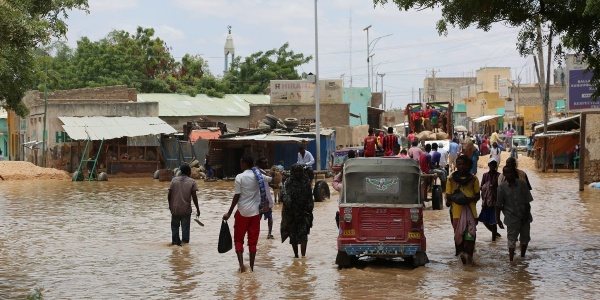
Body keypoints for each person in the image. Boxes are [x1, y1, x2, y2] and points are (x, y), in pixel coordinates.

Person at [223, 154, 272, 272]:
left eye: (241, 162)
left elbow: (237, 195)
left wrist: (229, 213)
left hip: (242, 213)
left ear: (244, 163)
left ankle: (241, 266)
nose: (240, 165)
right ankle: (252, 267)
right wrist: (260, 172)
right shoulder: (258, 176)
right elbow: (270, 178)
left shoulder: (239, 177)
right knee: (253, 242)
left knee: (238, 240)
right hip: (255, 213)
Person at [445, 155, 481, 265]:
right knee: (459, 238)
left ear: (467, 165)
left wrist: (468, 199)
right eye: (459, 164)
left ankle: (469, 264)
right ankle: (462, 266)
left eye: (463, 164)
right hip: (456, 214)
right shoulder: (450, 180)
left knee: (470, 239)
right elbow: (448, 196)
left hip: (471, 212)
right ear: (456, 166)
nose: (461, 166)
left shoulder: (474, 179)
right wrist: (456, 197)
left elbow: (477, 196)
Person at [496, 165, 534, 261]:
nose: (510, 175)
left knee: (525, 238)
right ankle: (511, 261)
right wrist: (498, 219)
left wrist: (526, 214)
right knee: (511, 240)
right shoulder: (501, 188)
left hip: (525, 216)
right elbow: (498, 206)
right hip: (511, 217)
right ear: (504, 174)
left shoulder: (522, 185)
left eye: (511, 172)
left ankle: (522, 257)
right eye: (507, 173)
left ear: (515, 173)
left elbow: (527, 202)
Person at [281, 164, 314, 258]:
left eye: (300, 171)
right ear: (293, 172)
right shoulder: (288, 182)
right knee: (293, 235)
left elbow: (309, 197)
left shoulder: (306, 181)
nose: (298, 173)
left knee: (304, 234)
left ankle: (303, 256)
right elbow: (284, 195)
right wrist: (288, 204)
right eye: (296, 171)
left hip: (304, 212)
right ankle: (296, 255)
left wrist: (309, 209)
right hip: (291, 213)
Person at [167, 164, 200, 246]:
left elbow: (169, 194)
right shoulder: (192, 181)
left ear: (181, 172)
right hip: (186, 210)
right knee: (185, 233)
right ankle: (185, 251)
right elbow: (194, 197)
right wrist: (198, 209)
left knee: (175, 229)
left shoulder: (174, 180)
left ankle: (175, 245)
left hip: (175, 210)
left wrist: (170, 206)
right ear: (189, 172)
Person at [478, 158, 502, 241]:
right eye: (491, 165)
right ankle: (495, 233)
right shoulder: (485, 175)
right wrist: (487, 187)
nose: (492, 166)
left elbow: (501, 188)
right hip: (486, 201)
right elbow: (482, 187)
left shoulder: (499, 175)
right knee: (484, 220)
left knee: (493, 221)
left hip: (495, 201)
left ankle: (493, 240)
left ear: (496, 166)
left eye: (494, 165)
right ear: (489, 165)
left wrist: (492, 189)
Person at [256, 157, 275, 239]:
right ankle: (268, 234)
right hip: (260, 198)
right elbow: (270, 179)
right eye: (265, 163)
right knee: (259, 218)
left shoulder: (261, 171)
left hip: (264, 197)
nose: (267, 164)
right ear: (259, 164)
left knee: (266, 216)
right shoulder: (259, 173)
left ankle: (268, 233)